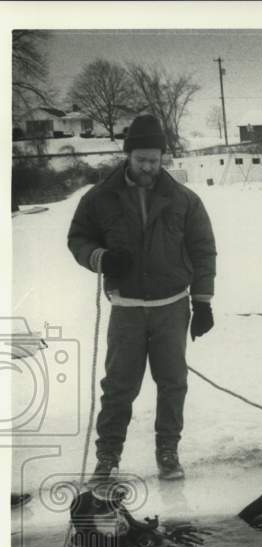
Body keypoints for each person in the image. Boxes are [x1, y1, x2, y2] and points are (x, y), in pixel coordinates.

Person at [67, 114, 217, 482]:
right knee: (119, 387)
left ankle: (168, 451)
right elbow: (78, 238)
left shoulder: (184, 199)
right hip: (127, 309)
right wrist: (99, 258)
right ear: (128, 155)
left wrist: (203, 302)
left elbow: (203, 250)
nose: (149, 167)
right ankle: (108, 457)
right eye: (141, 160)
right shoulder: (100, 198)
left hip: (171, 307)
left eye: (155, 160)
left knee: (173, 383)